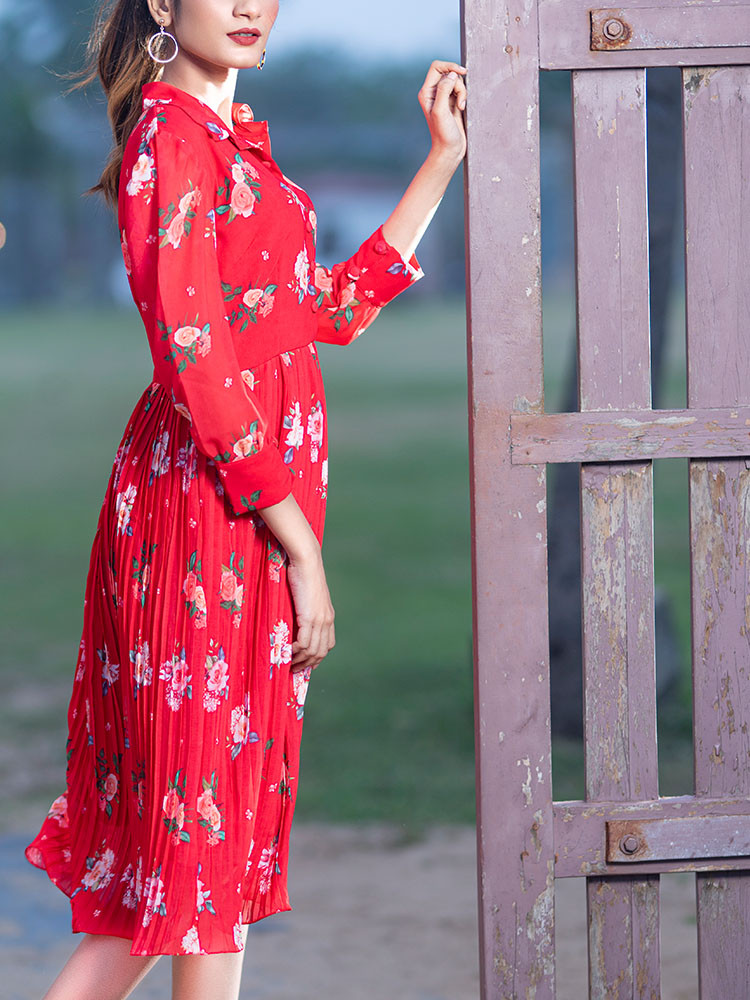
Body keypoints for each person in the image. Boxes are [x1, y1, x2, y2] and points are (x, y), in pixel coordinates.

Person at [23, 1, 467, 998]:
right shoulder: (167, 147)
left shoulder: (237, 150)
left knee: (197, 865)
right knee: (195, 852)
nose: (252, 3)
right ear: (166, 6)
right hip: (202, 521)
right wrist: (301, 547)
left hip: (249, 514)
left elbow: (330, 311)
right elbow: (193, 362)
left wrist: (440, 158)